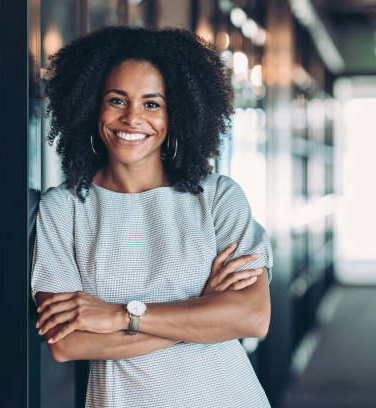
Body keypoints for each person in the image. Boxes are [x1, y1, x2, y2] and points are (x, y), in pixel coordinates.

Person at [31, 26, 274, 407]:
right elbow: (67, 343)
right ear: (92, 105)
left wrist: (119, 316)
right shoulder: (63, 210)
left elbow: (252, 316)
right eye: (116, 100)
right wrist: (203, 312)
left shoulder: (217, 198)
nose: (132, 118)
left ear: (175, 114)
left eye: (151, 103)